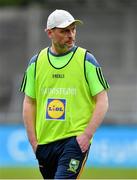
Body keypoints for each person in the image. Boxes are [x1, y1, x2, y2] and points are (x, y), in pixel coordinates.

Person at [20, 9, 110, 179]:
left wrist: (86, 135)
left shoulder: (87, 60)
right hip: (45, 144)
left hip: (74, 141)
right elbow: (28, 103)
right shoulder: (36, 62)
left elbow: (102, 100)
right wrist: (34, 142)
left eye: (73, 29)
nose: (71, 35)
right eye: (64, 31)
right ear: (49, 33)